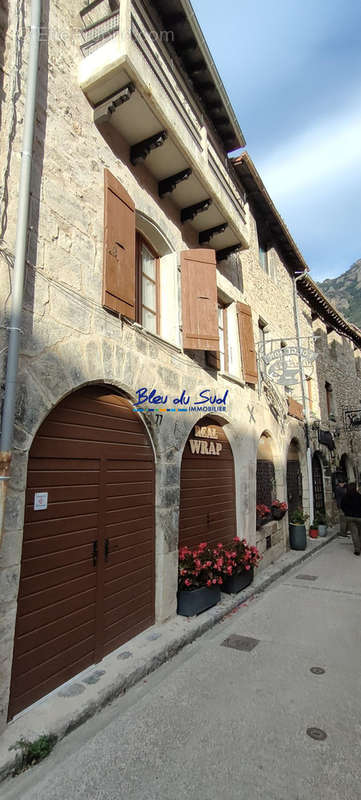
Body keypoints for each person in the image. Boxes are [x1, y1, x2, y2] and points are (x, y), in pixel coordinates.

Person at [340, 484, 361, 555]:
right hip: (359, 517)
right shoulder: (359, 496)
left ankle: (357, 549)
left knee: (354, 534)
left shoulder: (345, 497)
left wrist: (346, 512)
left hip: (350, 517)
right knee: (360, 533)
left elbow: (342, 505)